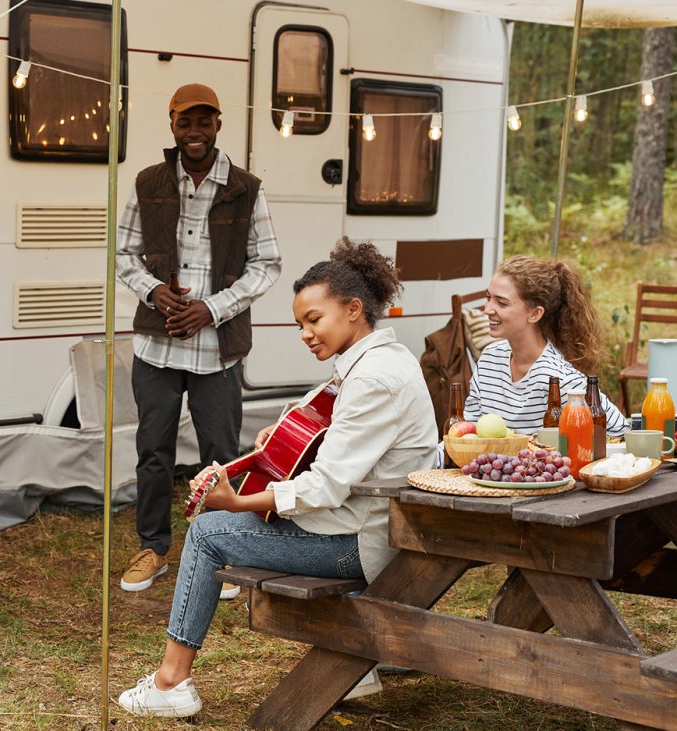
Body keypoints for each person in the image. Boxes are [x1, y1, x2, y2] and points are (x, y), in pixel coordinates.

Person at [118, 239, 437, 717]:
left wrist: (241, 504)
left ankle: (171, 684)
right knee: (221, 527)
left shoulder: (371, 378)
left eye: (314, 319)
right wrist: (284, 426)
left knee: (207, 534)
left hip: (364, 542)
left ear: (354, 309)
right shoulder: (383, 359)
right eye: (300, 325)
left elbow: (325, 487)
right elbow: (322, 409)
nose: (306, 333)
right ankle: (358, 669)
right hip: (377, 524)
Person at [115, 82, 281, 593]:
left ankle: (225, 547)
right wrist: (154, 294)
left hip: (217, 347)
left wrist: (211, 308)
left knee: (220, 454)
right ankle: (153, 549)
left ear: (218, 125)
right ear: (172, 126)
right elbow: (123, 256)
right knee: (153, 451)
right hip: (158, 345)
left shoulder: (246, 188)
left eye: (204, 122)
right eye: (186, 122)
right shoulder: (147, 182)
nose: (195, 132)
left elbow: (267, 264)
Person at [463, 255, 628, 436]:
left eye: (501, 302)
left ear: (534, 314)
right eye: (488, 298)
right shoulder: (489, 359)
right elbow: (468, 433)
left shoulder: (557, 377)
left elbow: (620, 430)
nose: (487, 309)